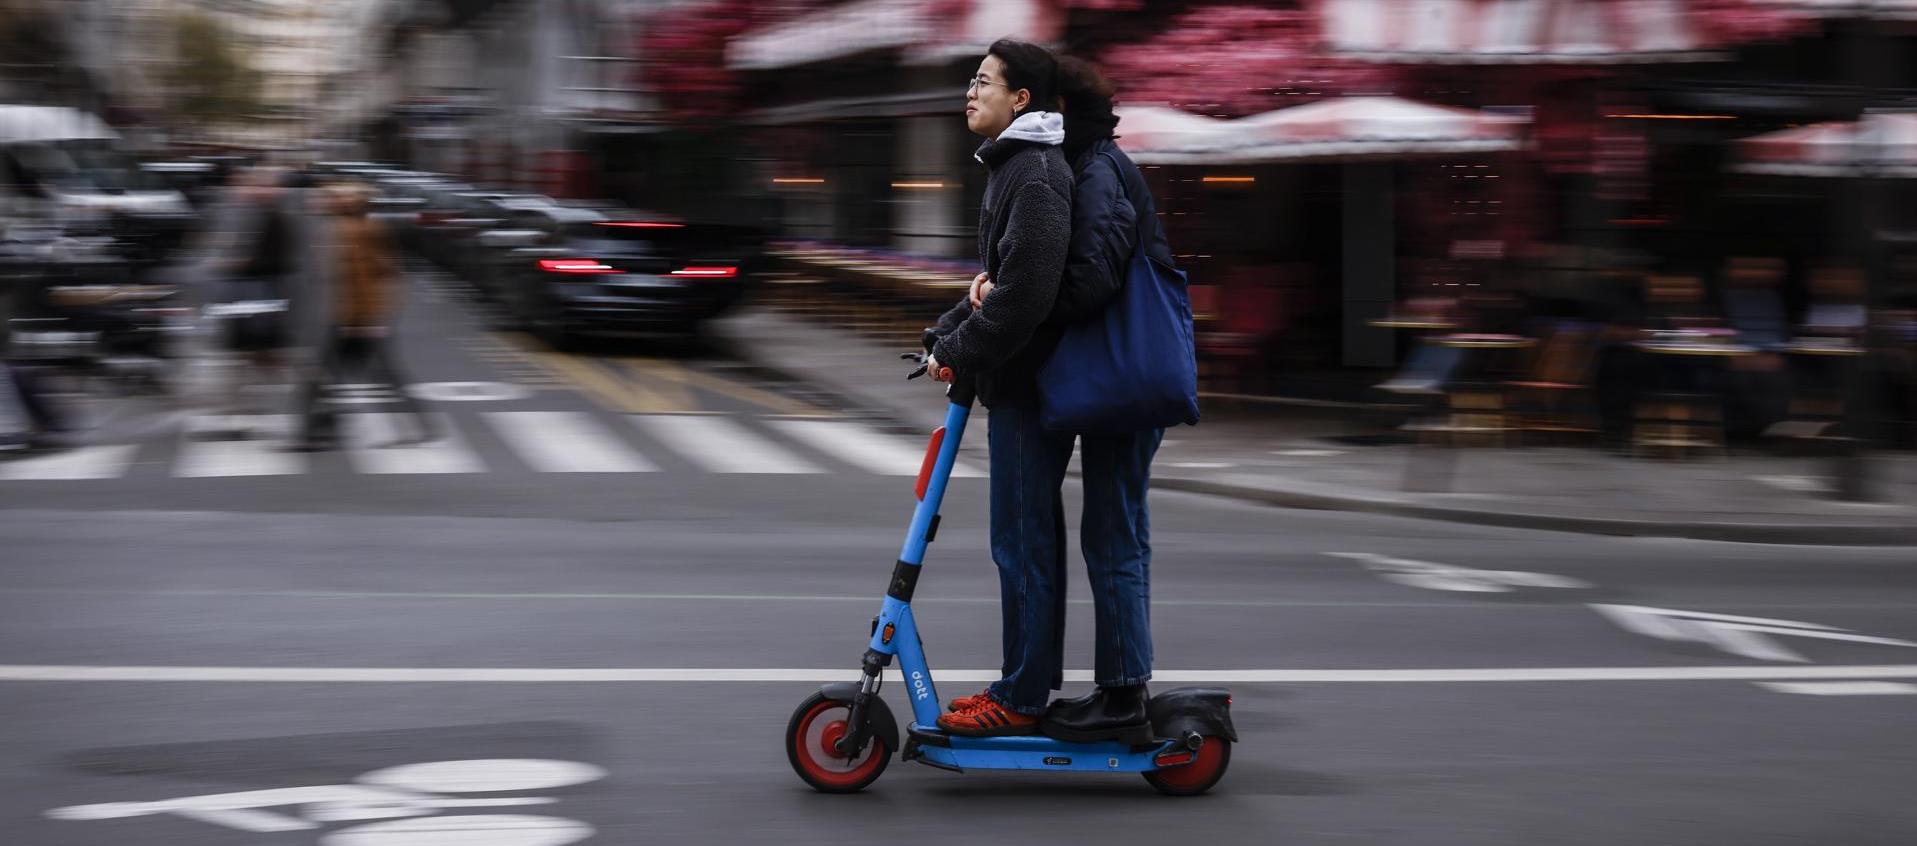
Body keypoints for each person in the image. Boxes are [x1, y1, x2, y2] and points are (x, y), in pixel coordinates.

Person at [922, 40, 1074, 737]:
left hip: (1028, 391)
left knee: (1022, 545)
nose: (969, 91)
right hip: (1017, 386)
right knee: (1022, 542)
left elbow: (1023, 297)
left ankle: (1021, 699)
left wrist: (959, 352)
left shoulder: (1034, 174)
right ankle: (1026, 683)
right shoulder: (1014, 168)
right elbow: (996, 286)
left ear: (1021, 100)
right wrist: (943, 334)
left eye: (983, 82)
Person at [289, 182, 436, 450]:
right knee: (332, 375)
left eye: (340, 198)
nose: (326, 202)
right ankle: (319, 430)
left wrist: (369, 319)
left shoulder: (361, 230)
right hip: (348, 316)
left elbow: (371, 278)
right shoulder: (334, 229)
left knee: (369, 374)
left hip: (355, 319)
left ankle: (316, 432)